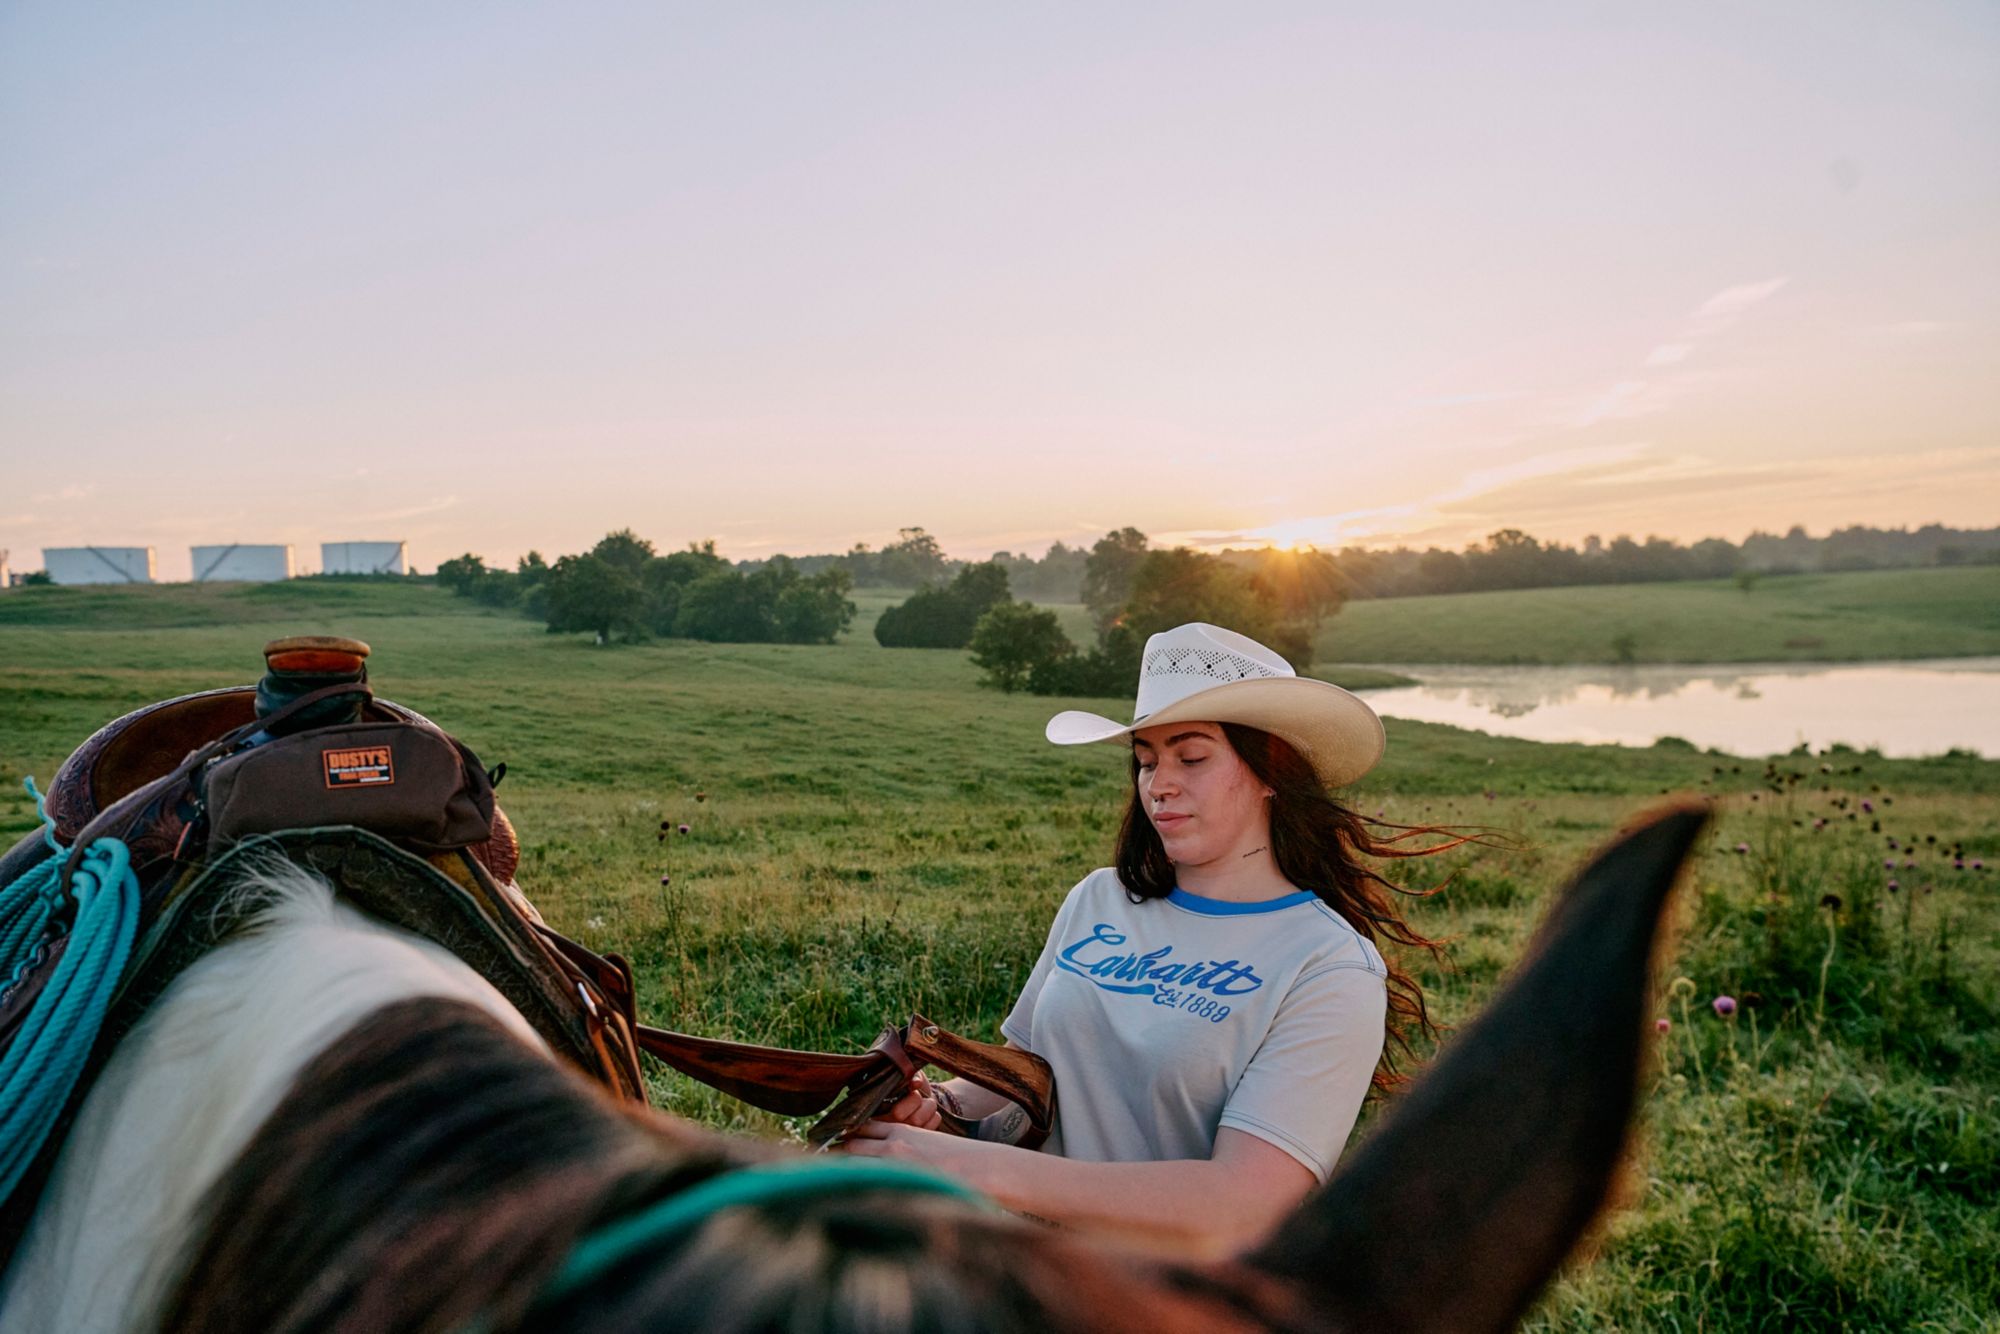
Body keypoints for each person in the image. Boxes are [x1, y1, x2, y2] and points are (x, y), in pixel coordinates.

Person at [846, 622, 1465, 1254]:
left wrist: (967, 1168)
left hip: (1167, 1304)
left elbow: (1239, 1204)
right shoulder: (1099, 899)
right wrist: (932, 1106)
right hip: (1014, 1271)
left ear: (1270, 770)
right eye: (1146, 760)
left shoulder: (1328, 966)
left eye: (1191, 757)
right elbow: (1023, 1075)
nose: (1158, 784)